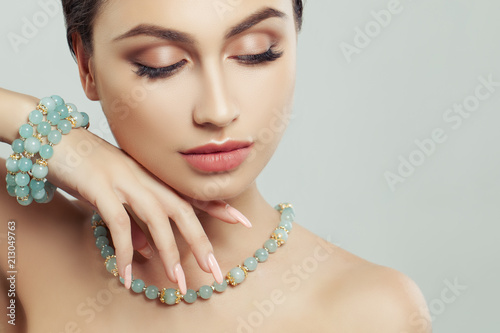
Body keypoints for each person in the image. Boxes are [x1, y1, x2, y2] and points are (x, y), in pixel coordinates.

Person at [0, 0, 432, 332]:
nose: (218, 109)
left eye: (256, 53)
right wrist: (53, 136)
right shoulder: (22, 243)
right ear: (86, 65)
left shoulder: (372, 310)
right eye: (161, 63)